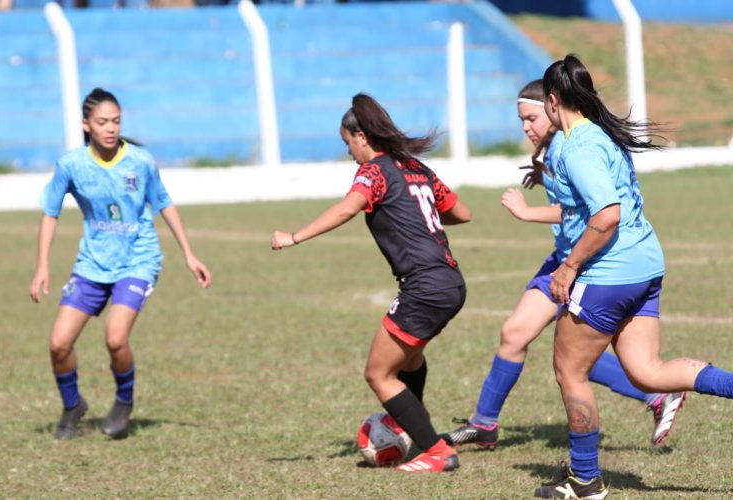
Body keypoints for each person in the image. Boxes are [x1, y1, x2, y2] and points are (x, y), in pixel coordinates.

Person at [442, 80, 685, 451]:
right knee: (515, 334)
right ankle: (485, 423)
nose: (526, 126)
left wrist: (526, 213)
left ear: (553, 108)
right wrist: (545, 176)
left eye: (531, 117)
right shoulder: (556, 147)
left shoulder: (572, 146)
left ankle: (655, 397)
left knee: (573, 359)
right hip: (564, 260)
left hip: (588, 263)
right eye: (521, 119)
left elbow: (587, 213)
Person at [534, 54, 733, 499]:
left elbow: (606, 215)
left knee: (571, 372)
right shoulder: (595, 134)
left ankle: (585, 480)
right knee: (647, 372)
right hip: (643, 266)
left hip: (608, 272)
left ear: (552, 101)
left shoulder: (581, 146)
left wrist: (568, 266)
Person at [271, 93, 472, 473]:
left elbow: (348, 206)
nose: (348, 151)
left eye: (347, 143)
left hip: (425, 285)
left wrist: (294, 237)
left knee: (378, 373)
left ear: (361, 136)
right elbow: (462, 212)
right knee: (409, 358)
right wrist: (417, 215)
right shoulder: (416, 168)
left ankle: (436, 452)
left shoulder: (374, 171)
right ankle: (416, 421)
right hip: (450, 281)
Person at [29, 88, 212, 440]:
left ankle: (123, 402)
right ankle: (72, 406)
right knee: (58, 344)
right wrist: (42, 266)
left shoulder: (140, 161)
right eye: (102, 122)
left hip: (138, 260)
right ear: (86, 125)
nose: (110, 128)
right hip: (93, 265)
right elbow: (50, 213)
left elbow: (164, 204)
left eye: (115, 121)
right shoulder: (71, 165)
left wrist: (189, 254)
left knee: (116, 340)